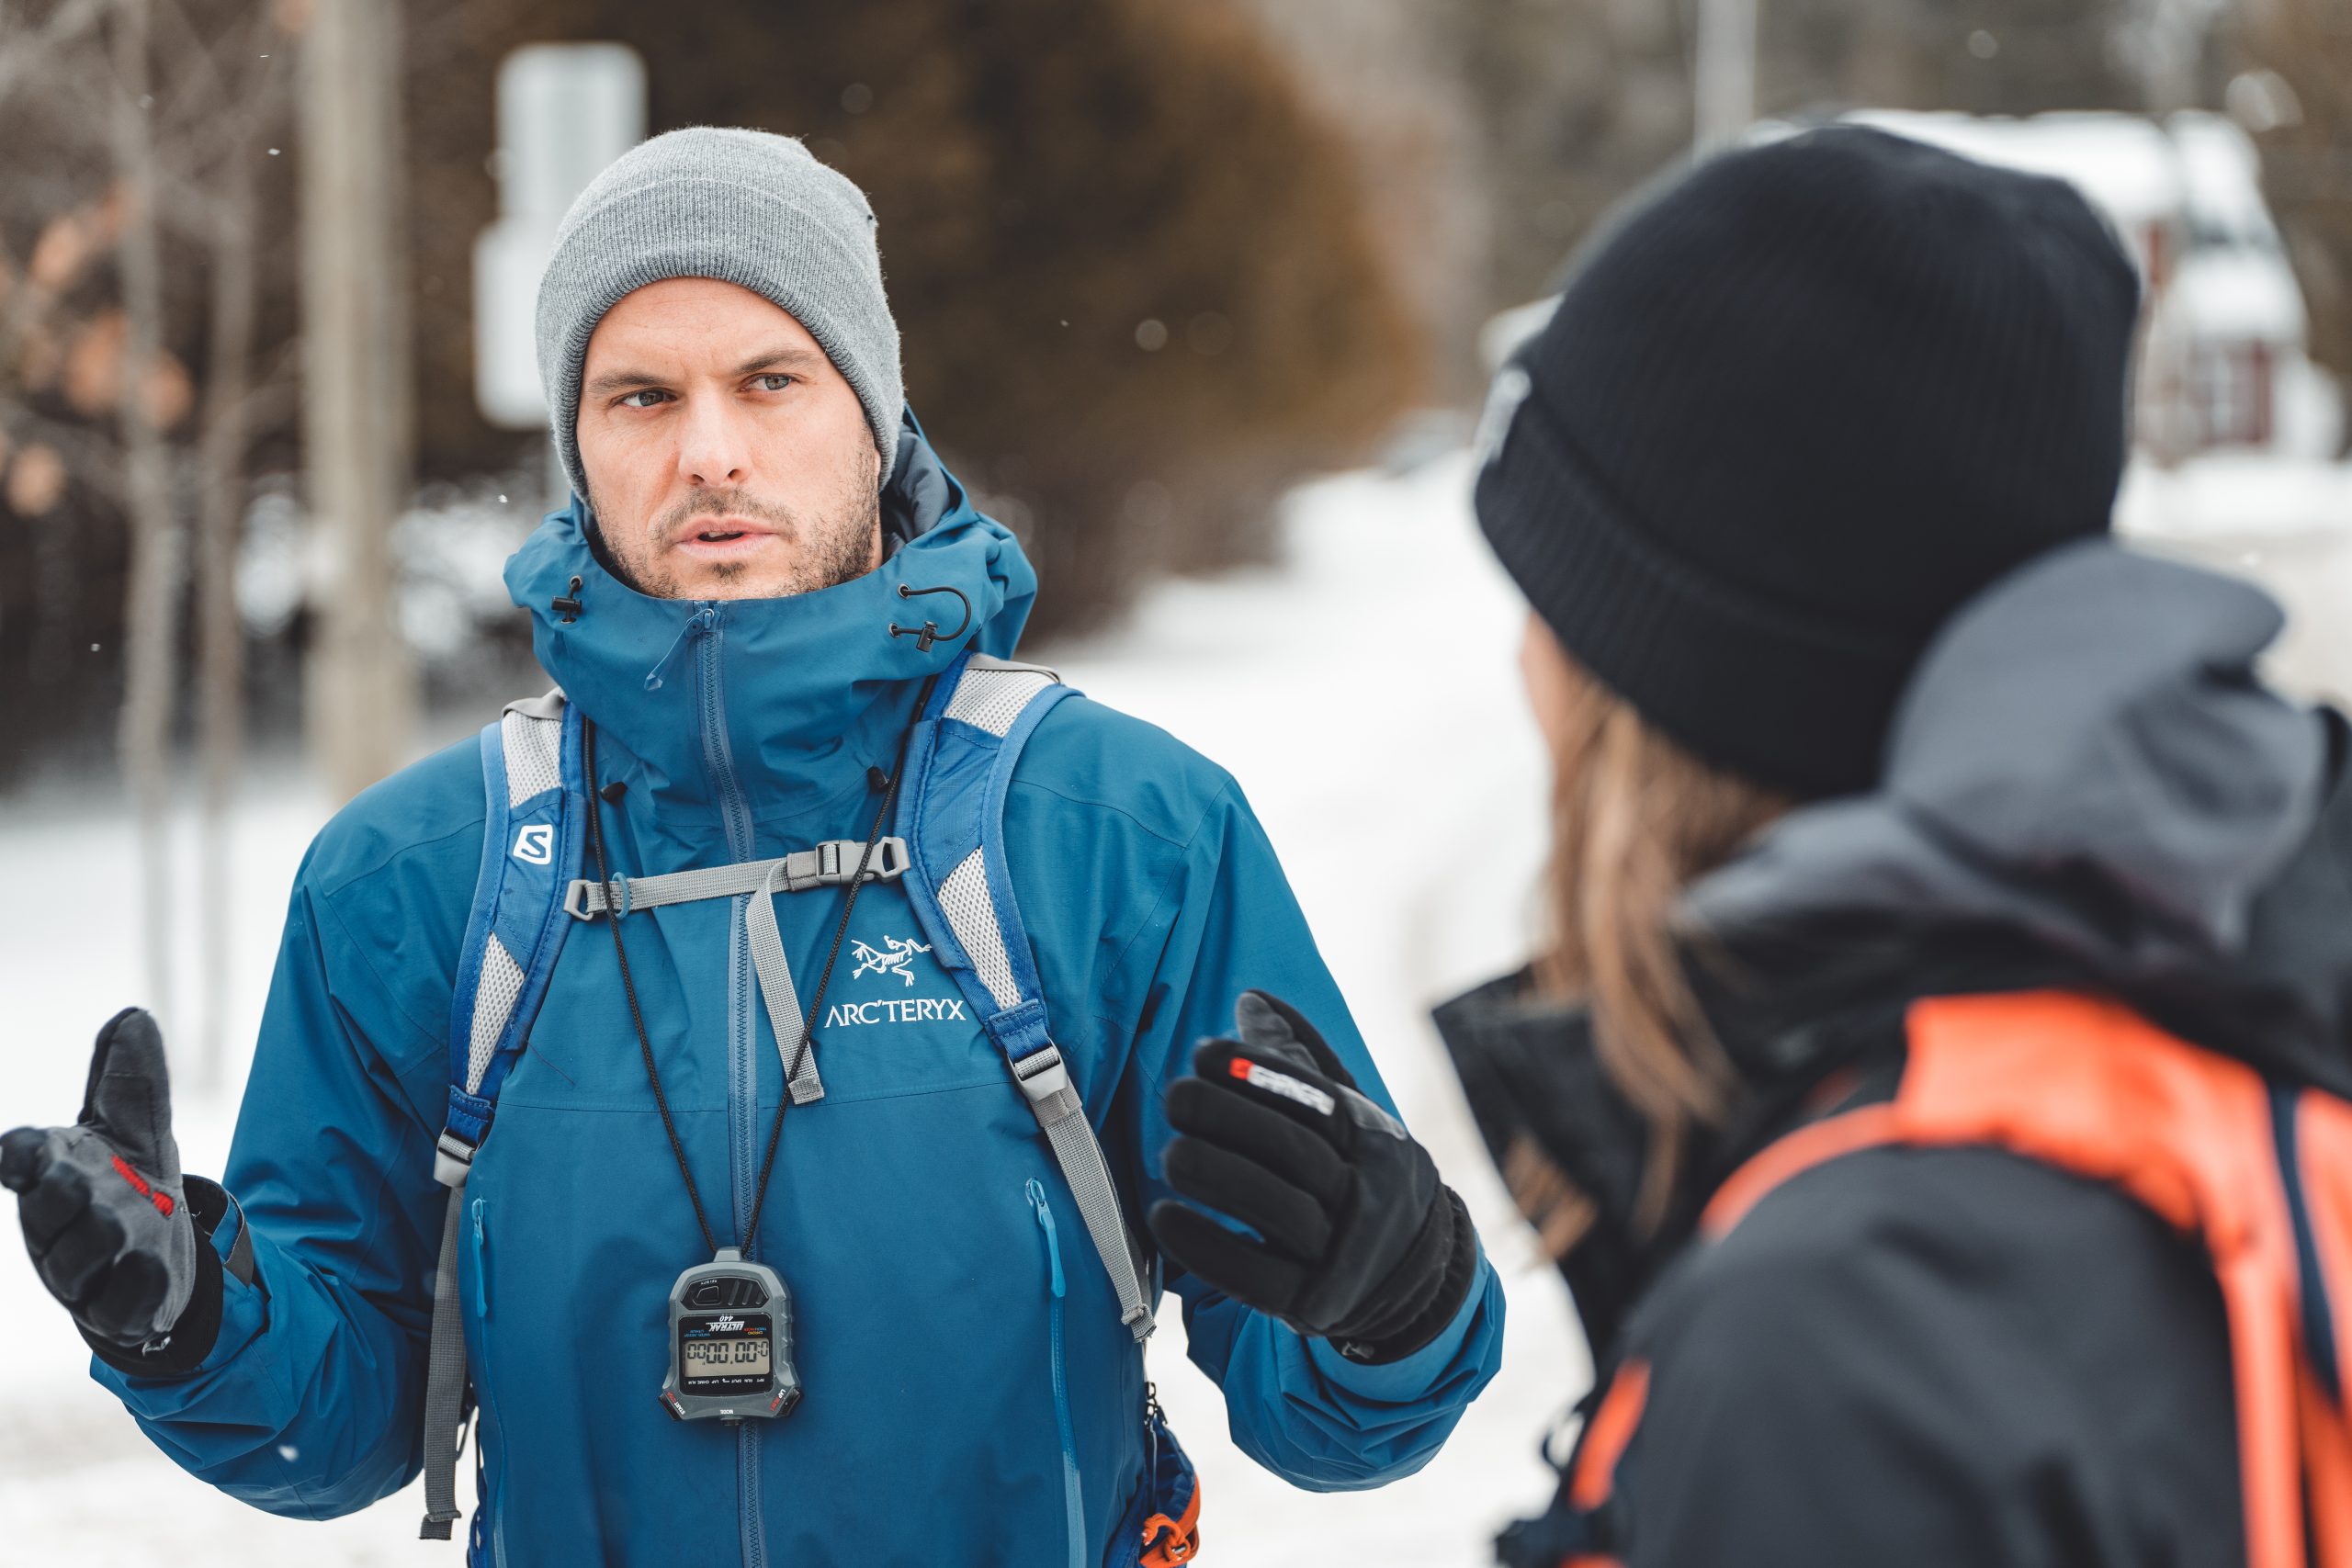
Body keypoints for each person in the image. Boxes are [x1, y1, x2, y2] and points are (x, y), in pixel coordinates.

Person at [0, 128, 1502, 1566]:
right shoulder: (414, 879)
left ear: (873, 409)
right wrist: (190, 1317)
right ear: (579, 444)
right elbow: (335, 1432)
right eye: (640, 398)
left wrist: (1400, 1298)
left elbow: (1328, 1421)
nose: (709, 451)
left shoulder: (1115, 833)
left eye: (770, 379)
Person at [1428, 127, 2350, 1564]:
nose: (1525, 662)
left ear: (1654, 687)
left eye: (1547, 596)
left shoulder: (1859, 1330)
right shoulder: (2186, 1038)